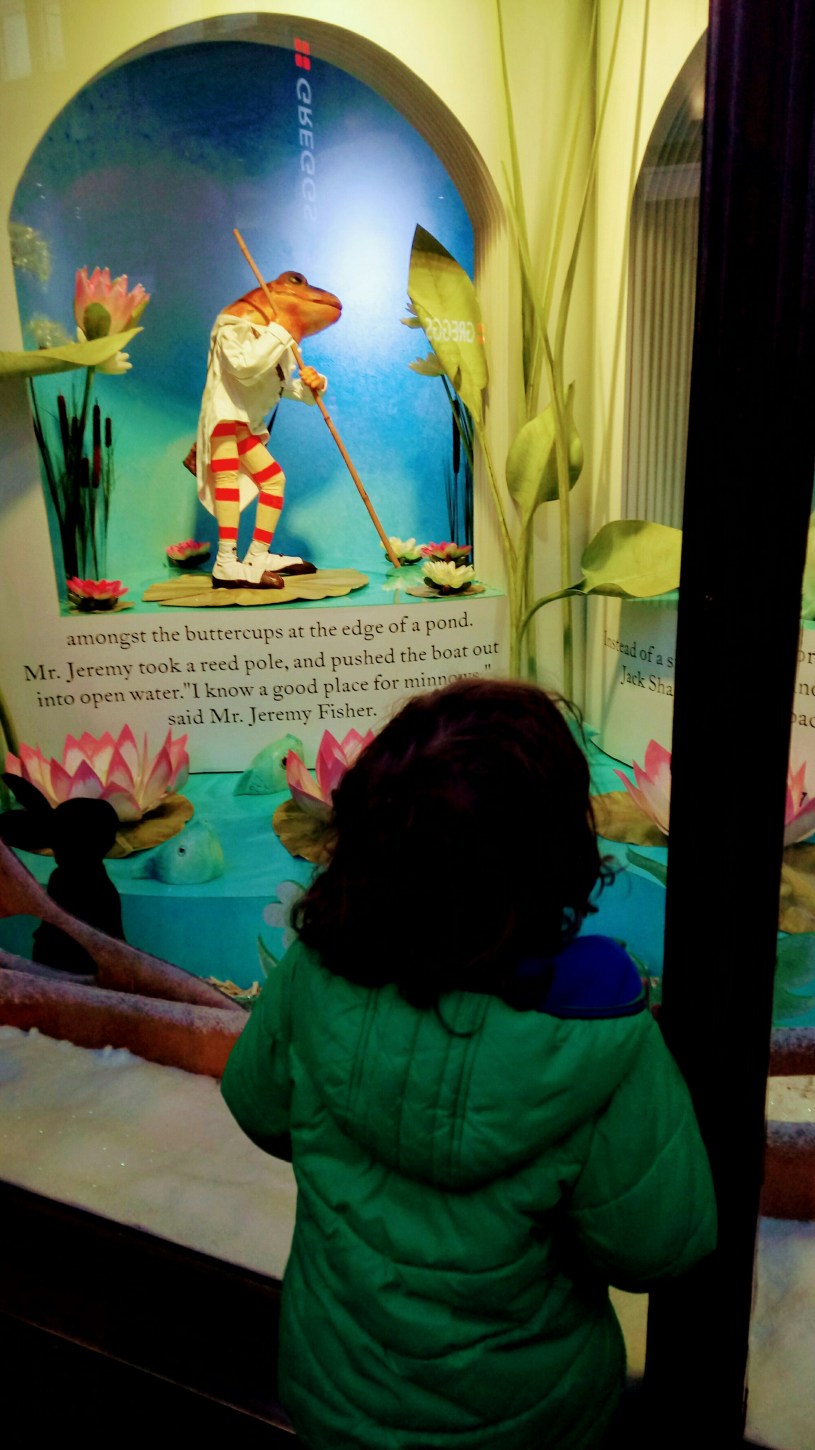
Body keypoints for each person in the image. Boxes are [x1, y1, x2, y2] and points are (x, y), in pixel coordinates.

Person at [221, 679, 716, 1450]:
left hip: (339, 1396)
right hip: (529, 1423)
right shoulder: (595, 1039)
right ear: (557, 852)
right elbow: (659, 1248)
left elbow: (257, 1108)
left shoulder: (311, 973)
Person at [195, 270, 342, 589]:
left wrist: (314, 386)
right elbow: (244, 367)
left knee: (273, 480)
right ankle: (225, 563)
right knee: (227, 481)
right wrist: (281, 330)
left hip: (243, 424)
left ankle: (257, 555)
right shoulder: (231, 326)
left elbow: (277, 386)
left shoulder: (277, 340)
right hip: (224, 418)